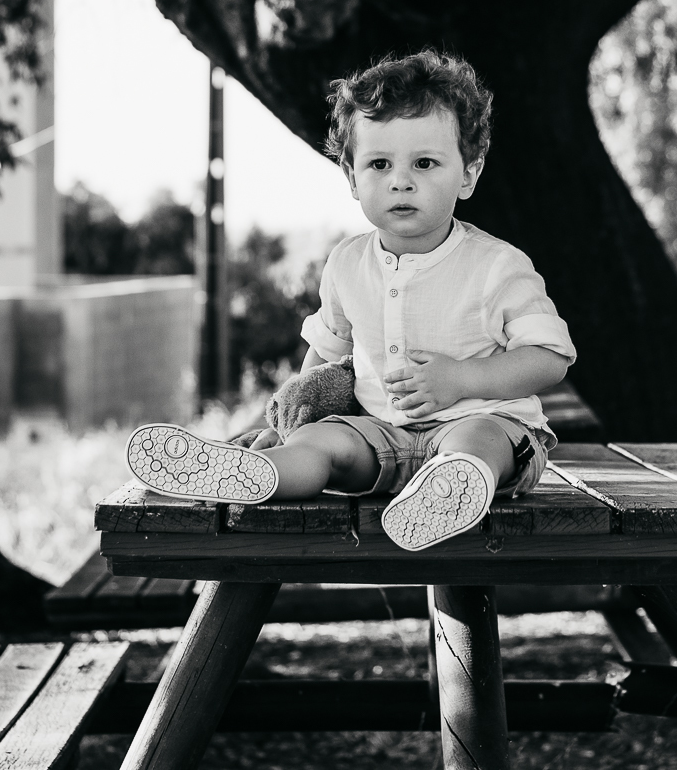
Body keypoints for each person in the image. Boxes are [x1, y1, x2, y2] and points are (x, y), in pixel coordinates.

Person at [127, 50, 576, 550]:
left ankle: (452, 488)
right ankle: (254, 472)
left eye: (425, 163)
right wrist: (291, 422)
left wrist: (461, 378)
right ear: (352, 178)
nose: (400, 180)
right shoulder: (346, 264)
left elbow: (550, 357)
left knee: (477, 442)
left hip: (485, 425)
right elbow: (327, 353)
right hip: (380, 435)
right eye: (379, 164)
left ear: (468, 174)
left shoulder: (497, 265)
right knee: (321, 443)